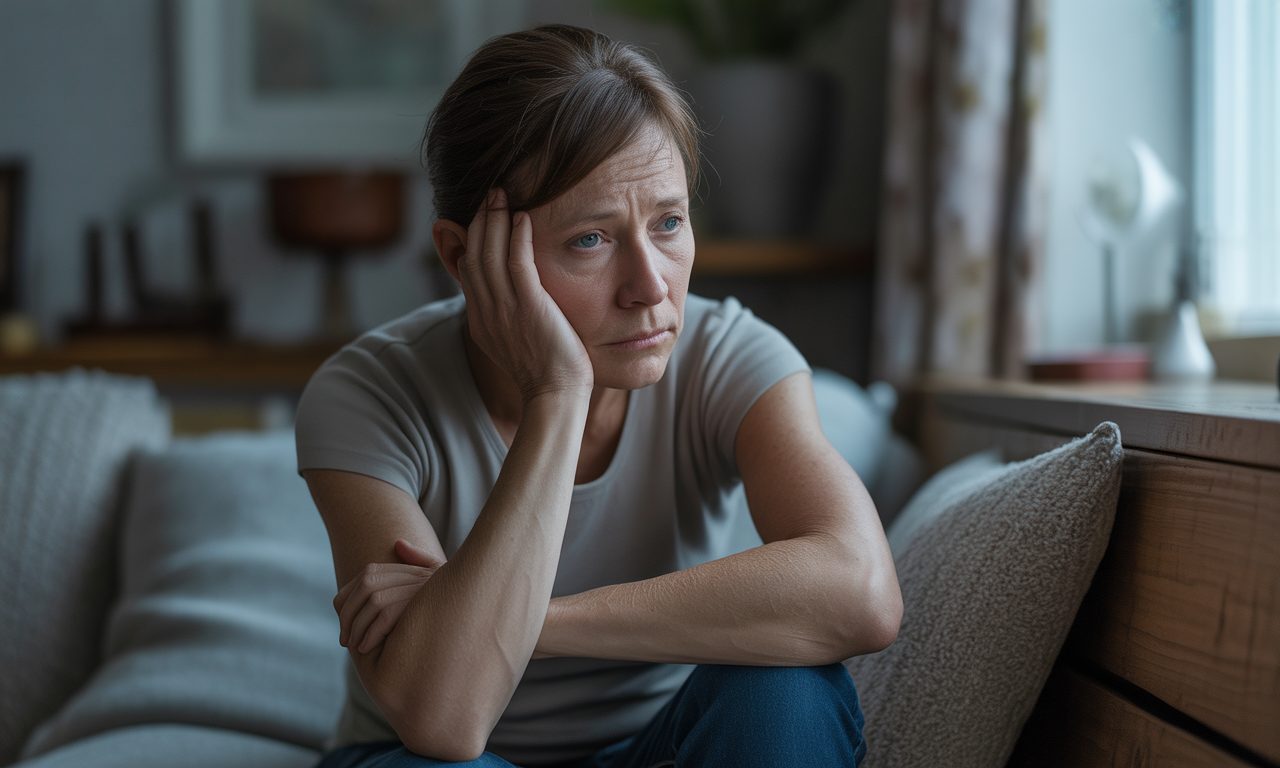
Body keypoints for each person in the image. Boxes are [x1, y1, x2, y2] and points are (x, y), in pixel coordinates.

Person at [295, 23, 901, 768]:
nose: (650, 287)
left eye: (668, 223)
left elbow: (862, 592)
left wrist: (525, 622)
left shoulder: (728, 357)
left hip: (658, 747)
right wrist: (557, 392)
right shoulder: (371, 393)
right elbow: (443, 720)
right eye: (591, 239)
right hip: (441, 759)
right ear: (462, 255)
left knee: (788, 694)